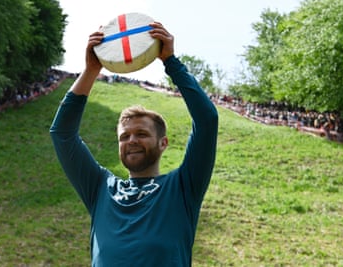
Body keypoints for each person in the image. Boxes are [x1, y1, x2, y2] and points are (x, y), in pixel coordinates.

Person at [49, 22, 218, 266]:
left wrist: (171, 62)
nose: (132, 141)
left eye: (141, 134)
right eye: (124, 136)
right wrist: (90, 71)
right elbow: (62, 133)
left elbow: (207, 120)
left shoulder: (182, 187)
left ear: (163, 143)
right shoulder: (100, 188)